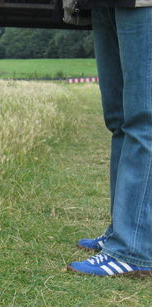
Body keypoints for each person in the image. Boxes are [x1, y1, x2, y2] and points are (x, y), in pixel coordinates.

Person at [62, 0, 152, 276]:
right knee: (119, 120)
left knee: (143, 119)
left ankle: (132, 247)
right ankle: (121, 230)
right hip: (102, 2)